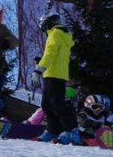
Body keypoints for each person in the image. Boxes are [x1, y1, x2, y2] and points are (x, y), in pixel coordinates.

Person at [34, 12, 80, 143]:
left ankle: (72, 129)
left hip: (54, 74)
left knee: (57, 103)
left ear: (47, 24)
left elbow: (50, 53)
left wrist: (38, 69)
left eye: (43, 28)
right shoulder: (63, 35)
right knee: (47, 105)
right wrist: (41, 61)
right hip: (56, 73)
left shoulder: (55, 34)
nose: (44, 31)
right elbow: (56, 55)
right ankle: (53, 130)